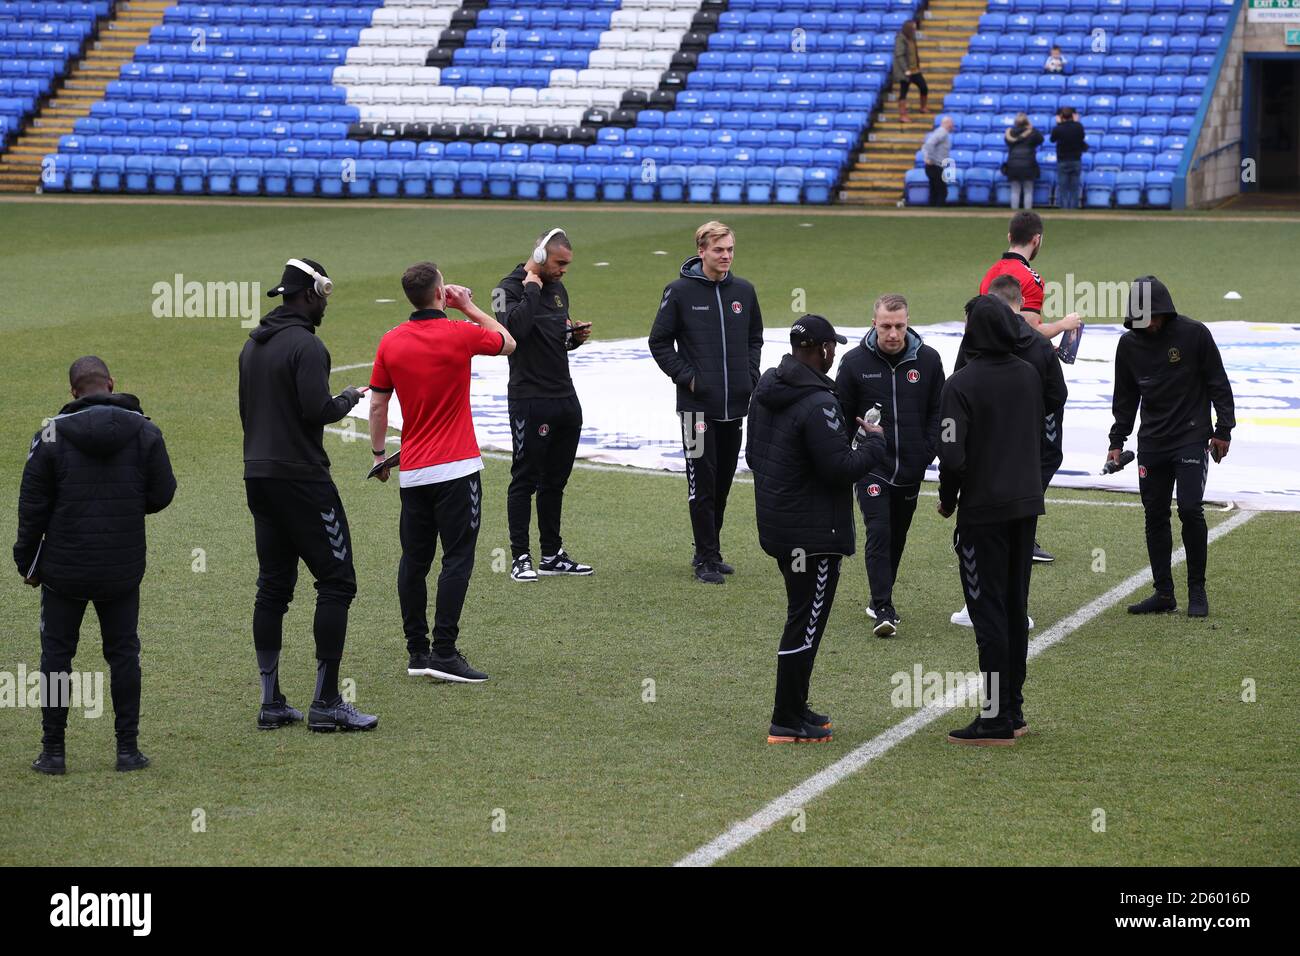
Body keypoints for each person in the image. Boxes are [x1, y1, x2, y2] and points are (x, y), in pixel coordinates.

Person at [14, 357, 176, 775]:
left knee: (56, 656)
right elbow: (163, 493)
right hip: (121, 567)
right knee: (123, 654)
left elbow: (32, 507)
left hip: (63, 570)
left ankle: (53, 752)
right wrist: (126, 506)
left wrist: (26, 563)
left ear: (73, 392)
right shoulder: (145, 431)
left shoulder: (49, 435)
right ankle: (127, 750)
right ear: (111, 384)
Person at [239, 257, 378, 733]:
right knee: (337, 581)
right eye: (325, 296)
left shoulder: (252, 347)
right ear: (315, 292)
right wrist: (348, 398)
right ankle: (326, 702)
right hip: (302, 477)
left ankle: (271, 700)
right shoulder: (308, 346)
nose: (325, 307)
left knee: (273, 587)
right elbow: (316, 410)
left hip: (258, 475)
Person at [367, 262, 516, 683]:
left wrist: (380, 457)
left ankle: (417, 652)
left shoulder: (390, 342)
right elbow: (508, 342)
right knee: (457, 559)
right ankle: (445, 652)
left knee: (414, 561)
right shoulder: (460, 333)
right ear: (440, 294)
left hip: (412, 472)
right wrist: (468, 306)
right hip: (457, 469)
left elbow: (378, 406)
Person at [747, 315, 885, 744]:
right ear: (822, 350)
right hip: (813, 535)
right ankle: (785, 719)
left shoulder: (767, 387)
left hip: (780, 526)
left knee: (800, 616)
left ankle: (796, 706)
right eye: (833, 347)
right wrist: (874, 442)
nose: (836, 354)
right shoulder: (818, 402)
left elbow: (755, 456)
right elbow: (841, 469)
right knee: (805, 623)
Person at [936, 296, 1046, 746]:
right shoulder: (1028, 374)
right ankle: (1013, 709)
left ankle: (996, 716)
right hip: (1025, 508)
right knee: (1015, 608)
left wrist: (948, 499)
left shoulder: (959, 384)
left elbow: (950, 452)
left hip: (983, 513)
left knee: (988, 615)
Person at [1109, 276, 1235, 618]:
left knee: (1191, 509)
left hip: (1192, 436)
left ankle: (1197, 590)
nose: (1146, 324)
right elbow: (1125, 398)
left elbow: (1218, 383)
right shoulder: (1129, 346)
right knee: (1155, 515)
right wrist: (1116, 442)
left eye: (1151, 315)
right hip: (1152, 441)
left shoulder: (1194, 335)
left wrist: (1223, 429)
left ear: (1163, 309)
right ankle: (1164, 592)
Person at [649, 220, 764, 585]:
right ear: (702, 251)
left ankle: (711, 549)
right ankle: (705, 556)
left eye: (730, 249)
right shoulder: (679, 292)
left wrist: (750, 374)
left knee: (724, 481)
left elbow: (755, 338)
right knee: (702, 480)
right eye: (719, 250)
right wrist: (690, 378)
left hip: (735, 406)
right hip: (695, 410)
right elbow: (659, 342)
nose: (726, 256)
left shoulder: (744, 292)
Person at [835, 294, 945, 636]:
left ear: (908, 323)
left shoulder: (928, 361)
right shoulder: (853, 362)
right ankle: (883, 606)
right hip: (871, 466)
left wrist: (927, 451)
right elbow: (841, 415)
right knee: (879, 530)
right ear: (874, 324)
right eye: (886, 326)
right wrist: (854, 455)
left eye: (899, 326)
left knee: (897, 536)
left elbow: (938, 412)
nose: (893, 333)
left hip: (911, 467)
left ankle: (880, 597)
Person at [494, 228, 593, 583]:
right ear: (538, 256)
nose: (564, 270)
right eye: (559, 263)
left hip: (564, 396)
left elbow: (555, 339)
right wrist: (532, 286)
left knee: (555, 481)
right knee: (525, 479)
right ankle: (521, 556)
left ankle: (552, 554)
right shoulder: (506, 290)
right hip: (529, 398)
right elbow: (512, 335)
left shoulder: (559, 289)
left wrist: (574, 338)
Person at [979, 211, 1082, 340]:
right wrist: (1063, 325)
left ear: (1010, 237)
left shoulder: (990, 274)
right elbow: (1030, 332)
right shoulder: (1031, 279)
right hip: (1013, 357)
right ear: (1036, 239)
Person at [1003, 113, 1044, 211]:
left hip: (1013, 164)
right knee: (1028, 190)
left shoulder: (1010, 133)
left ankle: (1013, 213)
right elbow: (1041, 139)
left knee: (1014, 190)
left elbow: (1007, 142)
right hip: (1028, 164)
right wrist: (1031, 127)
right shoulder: (1032, 133)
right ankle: (1027, 213)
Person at [1050, 107, 1088, 210]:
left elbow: (1052, 139)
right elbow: (1082, 137)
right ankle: (1073, 209)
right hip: (1075, 160)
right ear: (1073, 116)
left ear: (1061, 116)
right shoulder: (1078, 127)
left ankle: (1064, 209)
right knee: (1074, 188)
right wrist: (1076, 123)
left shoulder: (1058, 128)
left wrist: (1059, 124)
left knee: (1063, 188)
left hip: (1062, 160)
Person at [892, 20, 926, 124]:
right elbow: (900, 55)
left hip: (915, 69)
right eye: (913, 28)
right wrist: (905, 69)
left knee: (923, 87)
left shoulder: (912, 38)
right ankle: (902, 115)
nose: (915, 30)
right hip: (905, 71)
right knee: (903, 92)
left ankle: (923, 107)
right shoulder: (900, 39)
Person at [922, 116, 955, 207]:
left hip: (934, 166)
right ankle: (938, 210)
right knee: (942, 191)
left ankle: (932, 210)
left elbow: (925, 146)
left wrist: (926, 157)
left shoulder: (938, 132)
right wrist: (930, 158)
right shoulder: (942, 132)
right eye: (951, 123)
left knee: (934, 190)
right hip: (935, 166)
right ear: (947, 123)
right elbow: (929, 144)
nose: (953, 125)